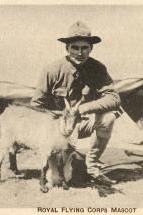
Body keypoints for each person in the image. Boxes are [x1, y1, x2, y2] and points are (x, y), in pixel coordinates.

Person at [30, 21, 121, 185]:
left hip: (82, 123)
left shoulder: (98, 68)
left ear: (91, 48)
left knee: (108, 118)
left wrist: (85, 108)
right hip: (57, 130)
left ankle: (92, 167)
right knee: (58, 180)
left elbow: (113, 98)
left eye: (85, 47)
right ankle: (58, 159)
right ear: (67, 48)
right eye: (75, 48)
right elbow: (36, 106)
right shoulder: (52, 70)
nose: (80, 53)